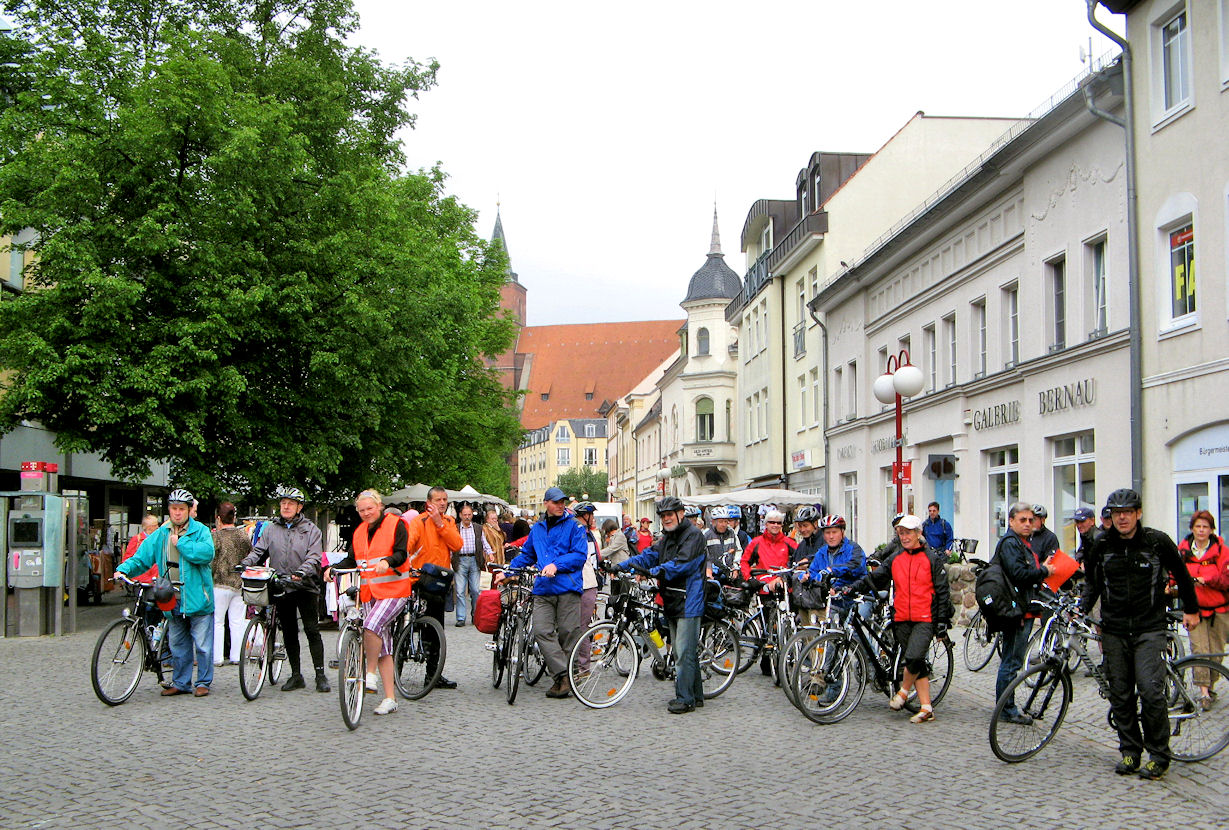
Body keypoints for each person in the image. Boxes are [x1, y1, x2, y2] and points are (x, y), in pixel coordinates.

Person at [1080, 488, 1200, 779]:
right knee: (1120, 695)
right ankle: (1131, 752)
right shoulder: (1102, 545)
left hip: (1150, 628)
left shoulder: (1156, 542)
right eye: (1117, 513)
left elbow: (1182, 576)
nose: (1122, 518)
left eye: (1128, 512)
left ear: (1138, 514)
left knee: (1150, 692)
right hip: (1114, 629)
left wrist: (1192, 610)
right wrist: (1080, 609)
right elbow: (1093, 584)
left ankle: (1158, 755)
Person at [845, 514, 950, 723]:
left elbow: (942, 591)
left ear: (919, 534)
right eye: (901, 533)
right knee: (915, 661)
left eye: (908, 532)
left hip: (925, 617)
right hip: (901, 616)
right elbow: (875, 577)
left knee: (912, 657)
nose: (904, 537)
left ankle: (903, 692)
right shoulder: (896, 558)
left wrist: (941, 623)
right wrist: (851, 588)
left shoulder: (932, 559)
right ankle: (926, 707)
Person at [611, 496, 707, 713]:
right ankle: (696, 695)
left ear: (680, 514)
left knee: (682, 653)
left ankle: (685, 699)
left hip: (690, 600)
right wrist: (620, 566)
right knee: (686, 651)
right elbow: (648, 556)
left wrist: (654, 572)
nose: (666, 519)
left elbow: (682, 565)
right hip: (673, 599)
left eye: (669, 515)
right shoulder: (667, 539)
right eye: (662, 516)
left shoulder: (694, 536)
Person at [115, 489, 216, 697]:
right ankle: (181, 682)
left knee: (203, 645)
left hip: (198, 598)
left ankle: (203, 682)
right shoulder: (161, 534)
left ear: (189, 510)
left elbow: (206, 554)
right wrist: (124, 569)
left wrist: (182, 543)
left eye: (181, 509)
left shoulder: (200, 531)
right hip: (172, 597)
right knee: (178, 644)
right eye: (173, 509)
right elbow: (142, 558)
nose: (177, 513)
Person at [498, 486, 587, 699]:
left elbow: (580, 555)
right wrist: (507, 571)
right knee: (541, 631)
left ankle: (562, 681)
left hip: (567, 586)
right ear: (546, 503)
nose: (560, 505)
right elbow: (527, 554)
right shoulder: (537, 528)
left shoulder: (574, 526)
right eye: (555, 502)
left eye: (562, 502)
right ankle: (564, 675)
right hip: (544, 589)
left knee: (568, 633)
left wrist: (556, 565)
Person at [238, 486, 328, 692]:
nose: (286, 507)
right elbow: (259, 551)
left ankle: (320, 674)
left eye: (290, 503)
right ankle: (296, 675)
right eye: (283, 503)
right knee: (289, 631)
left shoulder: (311, 529)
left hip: (305, 585)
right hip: (282, 585)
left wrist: (302, 572)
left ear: (299, 507)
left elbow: (314, 556)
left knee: (312, 630)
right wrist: (245, 563)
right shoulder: (271, 528)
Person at [330, 489, 412, 715]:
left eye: (370, 508)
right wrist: (332, 569)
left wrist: (388, 561)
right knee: (383, 645)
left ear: (380, 507)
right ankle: (390, 698)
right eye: (362, 510)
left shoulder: (397, 524)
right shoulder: (358, 532)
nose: (366, 513)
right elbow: (351, 559)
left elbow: (401, 553)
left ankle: (370, 674)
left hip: (394, 590)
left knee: (371, 626)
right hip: (369, 592)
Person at [992, 502, 1054, 725]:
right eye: (1023, 520)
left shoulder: (1021, 543)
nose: (1028, 524)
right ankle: (1007, 709)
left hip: (1022, 609)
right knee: (1011, 661)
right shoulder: (1011, 543)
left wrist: (1040, 568)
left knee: (1012, 659)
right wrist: (1044, 571)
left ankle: (1005, 706)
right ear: (1011, 521)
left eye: (1031, 520)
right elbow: (1019, 574)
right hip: (1016, 611)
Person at [405, 486, 463, 688]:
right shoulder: (418, 522)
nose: (442, 503)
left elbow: (457, 545)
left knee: (436, 630)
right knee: (410, 623)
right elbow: (408, 546)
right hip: (420, 580)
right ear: (429, 503)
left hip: (441, 582)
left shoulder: (449, 522)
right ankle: (398, 662)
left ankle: (433, 675)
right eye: (438, 499)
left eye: (445, 499)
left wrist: (440, 524)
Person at [1175, 510, 1227, 710]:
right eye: (1198, 526)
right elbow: (1175, 573)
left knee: (1215, 653)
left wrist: (1209, 580)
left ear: (1212, 530)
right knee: (1199, 651)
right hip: (1193, 610)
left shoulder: (1222, 551)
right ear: (1192, 529)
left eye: (1205, 527)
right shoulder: (1183, 551)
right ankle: (1203, 693)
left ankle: (1210, 685)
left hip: (1219, 610)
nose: (1201, 530)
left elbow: (1226, 580)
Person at [801, 513, 867, 626]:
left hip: (858, 597)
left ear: (842, 532)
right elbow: (814, 572)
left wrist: (832, 570)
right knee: (831, 634)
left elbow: (856, 566)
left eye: (834, 532)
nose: (831, 536)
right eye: (827, 533)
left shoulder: (853, 548)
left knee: (855, 632)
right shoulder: (821, 552)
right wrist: (807, 577)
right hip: (836, 599)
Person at [211, 501, 248, 668]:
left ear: (218, 518)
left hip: (219, 583)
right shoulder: (243, 536)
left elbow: (211, 560)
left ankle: (217, 657)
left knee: (217, 622)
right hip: (239, 583)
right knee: (237, 621)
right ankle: (236, 656)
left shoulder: (216, 537)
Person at [572, 502, 603, 672]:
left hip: (582, 582)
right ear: (586, 515)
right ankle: (582, 666)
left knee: (577, 626)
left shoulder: (583, 532)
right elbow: (593, 558)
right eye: (592, 515)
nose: (594, 519)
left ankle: (579, 665)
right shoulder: (584, 534)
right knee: (583, 627)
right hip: (586, 583)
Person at [452, 504, 494, 627]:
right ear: (460, 515)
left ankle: (475, 616)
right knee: (459, 591)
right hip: (460, 560)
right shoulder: (455, 528)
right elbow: (451, 543)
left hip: (474, 560)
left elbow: (484, 542)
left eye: (469, 514)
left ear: (472, 515)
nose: (467, 517)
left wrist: (490, 553)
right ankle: (461, 618)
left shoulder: (478, 528)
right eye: (465, 515)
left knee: (475, 590)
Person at [702, 505, 742, 579]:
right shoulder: (706, 534)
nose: (724, 524)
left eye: (726, 521)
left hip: (730, 572)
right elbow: (704, 555)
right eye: (720, 521)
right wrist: (708, 569)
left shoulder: (731, 533)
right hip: (713, 573)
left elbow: (738, 550)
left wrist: (735, 567)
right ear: (713, 522)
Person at [600, 517, 631, 602]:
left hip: (623, 567)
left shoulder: (620, 536)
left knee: (622, 595)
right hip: (615, 568)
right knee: (614, 594)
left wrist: (597, 553)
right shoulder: (612, 537)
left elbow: (611, 549)